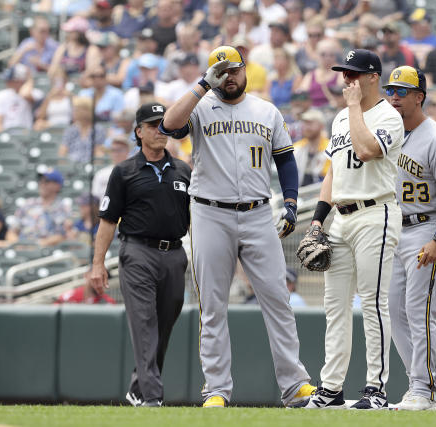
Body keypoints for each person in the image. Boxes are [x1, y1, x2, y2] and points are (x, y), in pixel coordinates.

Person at [160, 45, 314, 408]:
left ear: (246, 70)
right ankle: (216, 389)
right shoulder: (199, 107)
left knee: (278, 299)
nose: (229, 76)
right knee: (212, 305)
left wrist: (291, 203)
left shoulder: (266, 110)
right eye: (221, 71)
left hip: (259, 212)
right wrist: (201, 85)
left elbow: (286, 161)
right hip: (210, 212)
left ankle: (295, 386)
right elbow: (169, 125)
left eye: (234, 69)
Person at [303, 49, 403, 410]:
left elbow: (366, 150)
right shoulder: (342, 117)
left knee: (374, 303)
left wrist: (354, 108)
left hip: (375, 213)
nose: (347, 80)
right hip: (342, 218)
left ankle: (375, 390)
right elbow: (334, 171)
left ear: (373, 77)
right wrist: (318, 218)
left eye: (354, 74)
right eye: (345, 73)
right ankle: (330, 390)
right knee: (335, 307)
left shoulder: (389, 117)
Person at [88, 102, 191, 407]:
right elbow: (107, 221)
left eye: (164, 125)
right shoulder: (123, 172)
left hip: (174, 254)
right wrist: (97, 264)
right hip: (137, 252)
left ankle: (138, 385)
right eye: (153, 125)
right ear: (139, 131)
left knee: (163, 325)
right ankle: (151, 397)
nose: (161, 131)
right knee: (144, 323)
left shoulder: (183, 170)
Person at [383, 66, 436, 411]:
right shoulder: (389, 132)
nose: (395, 97)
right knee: (394, 310)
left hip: (427, 228)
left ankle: (423, 389)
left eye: (402, 92)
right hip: (397, 229)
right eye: (391, 91)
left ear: (420, 97)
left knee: (419, 311)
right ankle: (419, 384)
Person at [2, 169, 69, 247]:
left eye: (46, 181)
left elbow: (61, 236)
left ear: (57, 186)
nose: (42, 184)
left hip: (45, 250)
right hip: (21, 246)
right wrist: (17, 244)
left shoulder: (62, 208)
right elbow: (11, 232)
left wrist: (36, 246)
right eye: (41, 181)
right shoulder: (28, 204)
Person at [0, 64, 43, 132]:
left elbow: (25, 94)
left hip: (26, 133)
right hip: (7, 132)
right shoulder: (1, 95)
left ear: (20, 80)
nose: (7, 83)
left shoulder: (36, 93)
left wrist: (29, 79)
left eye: (11, 80)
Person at [297, 38, 342, 108]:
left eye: (331, 55)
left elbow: (340, 98)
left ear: (335, 56)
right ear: (317, 55)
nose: (327, 58)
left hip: (332, 110)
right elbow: (302, 94)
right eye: (323, 54)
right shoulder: (310, 75)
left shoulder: (341, 73)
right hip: (312, 111)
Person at [60, 96, 106, 163]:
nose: (74, 112)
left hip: (90, 165)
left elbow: (98, 153)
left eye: (77, 109)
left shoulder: (98, 129)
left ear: (87, 111)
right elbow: (62, 152)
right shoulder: (70, 130)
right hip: (71, 166)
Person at [293, 109, 330, 186]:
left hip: (320, 192)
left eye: (310, 123)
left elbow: (327, 178)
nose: (306, 127)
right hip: (299, 193)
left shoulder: (330, 148)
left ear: (321, 126)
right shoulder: (297, 147)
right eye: (304, 123)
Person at [92, 134, 132, 199]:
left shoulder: (136, 172)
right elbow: (95, 198)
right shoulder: (101, 174)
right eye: (113, 150)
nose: (116, 154)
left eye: (119, 150)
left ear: (127, 151)